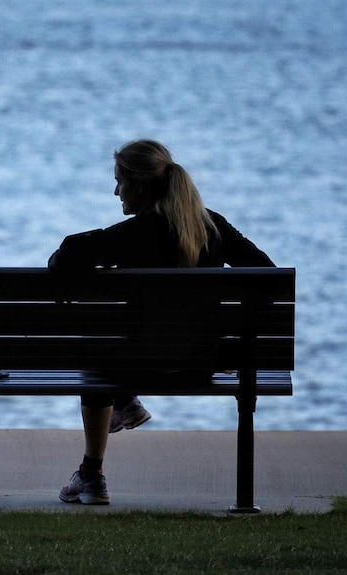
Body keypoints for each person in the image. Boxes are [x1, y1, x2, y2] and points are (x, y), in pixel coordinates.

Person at [48, 139, 275, 505]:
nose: (115, 191)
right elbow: (267, 274)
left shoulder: (136, 232)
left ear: (139, 185)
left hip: (141, 368)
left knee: (91, 347)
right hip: (200, 367)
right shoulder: (212, 226)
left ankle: (95, 468)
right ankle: (121, 410)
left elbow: (68, 257)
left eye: (119, 181)